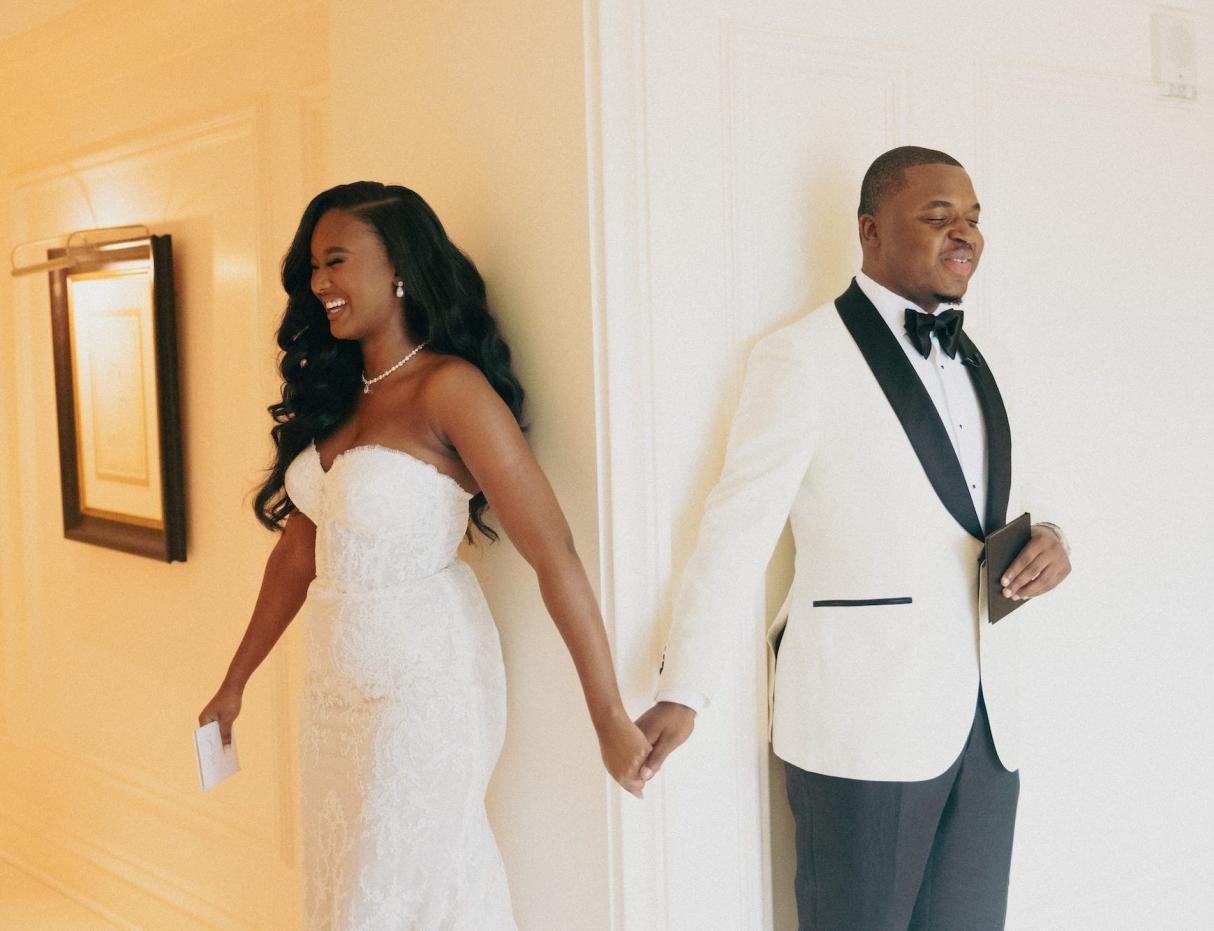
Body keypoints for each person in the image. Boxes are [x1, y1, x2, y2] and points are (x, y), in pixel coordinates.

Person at [636, 147, 1071, 929]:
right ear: (870, 232)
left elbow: (1016, 497)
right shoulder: (799, 356)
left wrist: (1053, 539)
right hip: (862, 724)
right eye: (938, 216)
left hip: (989, 723)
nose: (963, 232)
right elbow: (736, 528)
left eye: (972, 217)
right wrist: (684, 686)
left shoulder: (992, 357)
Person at [198, 182, 651, 929]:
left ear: (398, 267)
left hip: (427, 688)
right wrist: (234, 680)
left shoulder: (452, 389)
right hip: (333, 697)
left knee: (397, 895)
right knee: (347, 892)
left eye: (335, 261)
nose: (319, 285)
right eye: (312, 266)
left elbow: (554, 551)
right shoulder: (339, 394)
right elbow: (297, 553)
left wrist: (608, 713)